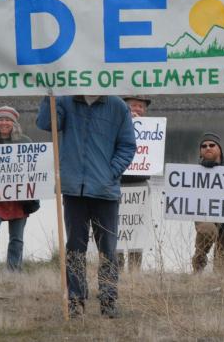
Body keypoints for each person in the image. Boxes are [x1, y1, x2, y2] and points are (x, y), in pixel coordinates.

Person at [37, 95, 136, 318]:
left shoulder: (117, 106)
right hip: (73, 190)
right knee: (74, 249)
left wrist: (110, 174)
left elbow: (128, 146)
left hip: (105, 193)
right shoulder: (63, 100)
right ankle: (75, 300)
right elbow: (46, 125)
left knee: (108, 249)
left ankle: (108, 300)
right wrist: (48, 95)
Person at [192, 132, 224, 274]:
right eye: (204, 146)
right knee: (208, 230)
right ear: (200, 151)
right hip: (205, 216)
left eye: (212, 145)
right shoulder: (194, 171)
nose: (208, 148)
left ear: (219, 148)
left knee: (223, 271)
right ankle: (198, 265)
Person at [118, 95, 152, 272]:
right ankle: (115, 270)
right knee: (116, 229)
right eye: (133, 105)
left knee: (138, 230)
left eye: (141, 106)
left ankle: (135, 272)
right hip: (117, 184)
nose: (137, 109)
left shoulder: (153, 130)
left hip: (141, 185)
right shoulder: (114, 126)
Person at [0, 106, 34, 272]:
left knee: (17, 238)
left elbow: (34, 168)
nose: (4, 123)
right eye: (1, 119)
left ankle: (13, 272)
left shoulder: (25, 142)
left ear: (14, 122)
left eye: (8, 120)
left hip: (19, 198)